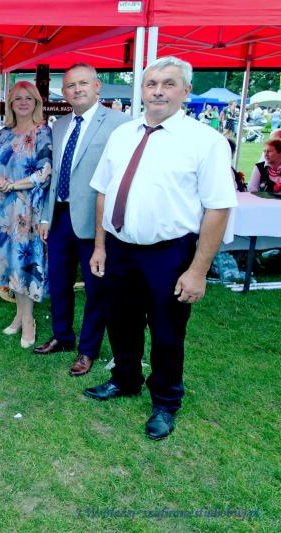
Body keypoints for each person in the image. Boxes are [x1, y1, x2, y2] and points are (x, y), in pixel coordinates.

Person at [85, 56, 236, 440]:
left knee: (167, 331)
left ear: (186, 91)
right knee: (120, 321)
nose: (158, 91)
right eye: (151, 84)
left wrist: (198, 271)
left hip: (169, 253)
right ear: (142, 90)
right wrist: (101, 246)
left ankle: (166, 401)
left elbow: (218, 208)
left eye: (168, 84)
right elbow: (103, 192)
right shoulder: (123, 134)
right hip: (120, 247)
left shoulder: (206, 141)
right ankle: (126, 379)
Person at [35, 63, 132, 376]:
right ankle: (62, 336)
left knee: (95, 288)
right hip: (60, 216)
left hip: (95, 220)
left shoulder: (120, 123)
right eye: (70, 85)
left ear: (97, 86)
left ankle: (88, 349)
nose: (77, 89)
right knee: (58, 282)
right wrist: (46, 217)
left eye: (83, 83)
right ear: (63, 92)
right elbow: (55, 176)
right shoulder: (60, 125)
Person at [0, 81, 52, 349]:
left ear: (36, 103)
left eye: (28, 98)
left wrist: (12, 185)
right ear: (10, 103)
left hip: (27, 210)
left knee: (24, 265)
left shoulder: (42, 132)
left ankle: (29, 320)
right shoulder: (3, 133)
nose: (23, 102)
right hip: (3, 210)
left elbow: (45, 173)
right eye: (18, 98)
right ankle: (19, 316)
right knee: (11, 264)